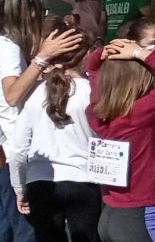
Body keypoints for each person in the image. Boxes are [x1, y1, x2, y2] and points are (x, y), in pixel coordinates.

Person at [87, 38, 155, 241]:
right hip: (140, 215)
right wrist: (140, 53)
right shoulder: (138, 113)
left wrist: (103, 53)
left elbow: (92, 70)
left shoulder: (97, 111)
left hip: (110, 212)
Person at [7, 28, 95, 242]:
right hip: (85, 180)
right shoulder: (93, 91)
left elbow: (18, 149)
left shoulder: (35, 94)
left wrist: (19, 187)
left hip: (41, 182)